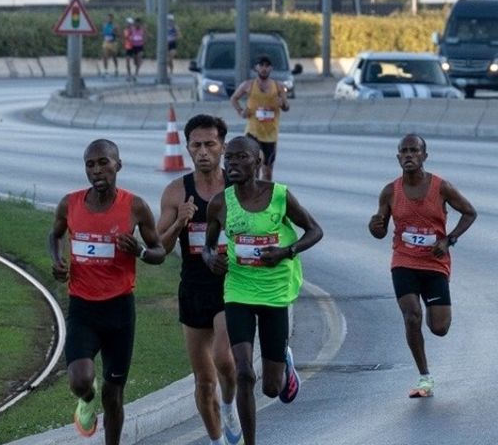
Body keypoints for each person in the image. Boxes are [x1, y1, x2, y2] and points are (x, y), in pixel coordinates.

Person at [203, 136, 323, 445]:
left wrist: (286, 251)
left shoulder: (280, 196)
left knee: (271, 387)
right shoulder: (219, 203)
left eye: (241, 158)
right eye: (228, 159)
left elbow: (315, 230)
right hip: (238, 290)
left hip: (274, 293)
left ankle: (284, 359)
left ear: (258, 163)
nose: (232, 164)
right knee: (244, 373)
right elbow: (207, 247)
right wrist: (211, 260)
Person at [48, 139, 167, 445]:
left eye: (104, 163)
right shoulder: (69, 203)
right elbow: (55, 235)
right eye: (90, 164)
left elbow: (160, 251)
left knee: (114, 395)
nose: (97, 170)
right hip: (83, 309)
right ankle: (86, 400)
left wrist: (139, 251)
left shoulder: (135, 207)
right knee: (80, 380)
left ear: (118, 165)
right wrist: (58, 260)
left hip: (119, 311)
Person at [368, 134, 477, 399]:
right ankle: (424, 376)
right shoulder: (390, 191)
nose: (408, 155)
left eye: (414, 151)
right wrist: (375, 226)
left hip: (434, 263)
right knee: (411, 315)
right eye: (404, 151)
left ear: (424, 156)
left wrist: (449, 240)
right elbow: (380, 230)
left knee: (439, 328)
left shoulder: (441, 187)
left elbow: (470, 212)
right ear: (397, 158)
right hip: (403, 261)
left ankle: (433, 307)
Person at [156, 114, 241, 445]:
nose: (203, 151)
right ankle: (216, 439)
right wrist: (180, 222)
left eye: (210, 144)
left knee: (224, 360)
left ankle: (231, 405)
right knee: (204, 382)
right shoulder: (177, 192)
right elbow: (158, 249)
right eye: (197, 145)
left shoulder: (238, 189)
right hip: (193, 289)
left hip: (232, 285)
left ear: (222, 146)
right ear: (187, 147)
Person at [229, 56, 289, 181]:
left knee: (267, 171)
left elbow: (286, 107)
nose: (264, 68)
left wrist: (282, 103)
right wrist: (241, 111)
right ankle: (252, 196)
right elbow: (234, 98)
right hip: (252, 133)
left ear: (271, 68)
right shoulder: (248, 85)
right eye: (261, 65)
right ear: (256, 68)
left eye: (267, 66)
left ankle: (265, 196)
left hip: (270, 134)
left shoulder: (278, 86)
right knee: (253, 168)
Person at [124, 16, 147, 82]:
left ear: (140, 24)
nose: (137, 25)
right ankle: (130, 74)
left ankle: (136, 75)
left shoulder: (143, 30)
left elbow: (145, 36)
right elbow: (127, 36)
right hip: (133, 46)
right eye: (136, 23)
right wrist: (129, 39)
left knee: (139, 58)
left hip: (140, 46)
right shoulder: (132, 29)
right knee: (135, 62)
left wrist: (143, 42)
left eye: (138, 23)